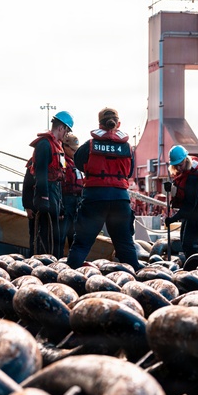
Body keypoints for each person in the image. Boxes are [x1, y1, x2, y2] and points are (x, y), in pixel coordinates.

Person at [67, 106, 142, 271]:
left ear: (100, 124)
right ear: (118, 124)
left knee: (82, 244)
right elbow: (129, 172)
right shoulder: (127, 148)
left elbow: (78, 163)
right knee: (125, 244)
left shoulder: (90, 145)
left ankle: (69, 275)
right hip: (120, 199)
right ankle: (136, 276)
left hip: (95, 198)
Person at [23, 110, 73, 256]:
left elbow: (57, 178)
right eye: (67, 131)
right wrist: (43, 198)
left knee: (54, 237)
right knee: (44, 236)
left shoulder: (57, 146)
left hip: (54, 194)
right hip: (45, 194)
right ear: (61, 128)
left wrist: (60, 205)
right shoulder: (45, 145)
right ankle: (40, 262)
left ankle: (53, 261)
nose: (66, 134)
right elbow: (40, 173)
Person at [165, 144, 198, 259]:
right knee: (185, 242)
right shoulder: (184, 174)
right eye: (176, 166)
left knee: (190, 244)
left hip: (197, 213)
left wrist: (173, 219)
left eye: (180, 165)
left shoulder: (193, 178)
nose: (178, 168)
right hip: (190, 214)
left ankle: (195, 265)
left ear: (186, 160)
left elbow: (190, 205)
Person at [60, 133, 84, 254]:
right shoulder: (62, 162)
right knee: (62, 233)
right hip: (66, 201)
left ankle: (72, 257)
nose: (75, 152)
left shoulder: (75, 163)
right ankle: (58, 256)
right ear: (65, 146)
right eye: (73, 150)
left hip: (77, 201)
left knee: (75, 234)